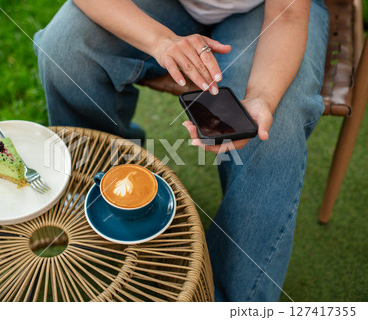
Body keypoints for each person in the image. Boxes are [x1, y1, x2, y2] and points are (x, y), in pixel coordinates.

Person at [33, 0, 329, 301]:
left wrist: (263, 97)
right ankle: (108, 200)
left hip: (270, 15)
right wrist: (159, 39)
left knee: (273, 130)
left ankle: (224, 301)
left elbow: (288, 14)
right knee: (65, 49)